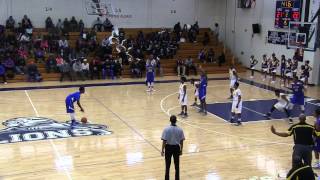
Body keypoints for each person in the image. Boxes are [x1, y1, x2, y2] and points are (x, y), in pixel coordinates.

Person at [161, 115, 185, 180]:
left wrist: (162, 150)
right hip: (176, 148)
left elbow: (164, 140)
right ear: (176, 121)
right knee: (177, 166)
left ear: (170, 121)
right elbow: (181, 141)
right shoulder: (180, 129)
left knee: (167, 165)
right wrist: (181, 150)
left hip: (168, 148)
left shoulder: (166, 129)